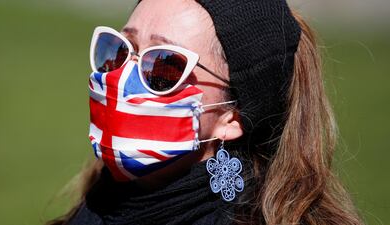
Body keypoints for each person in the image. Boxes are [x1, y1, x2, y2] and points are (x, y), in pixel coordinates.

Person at [48, 0, 364, 224]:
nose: (121, 76)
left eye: (164, 65)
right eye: (120, 48)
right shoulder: (90, 209)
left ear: (233, 116)